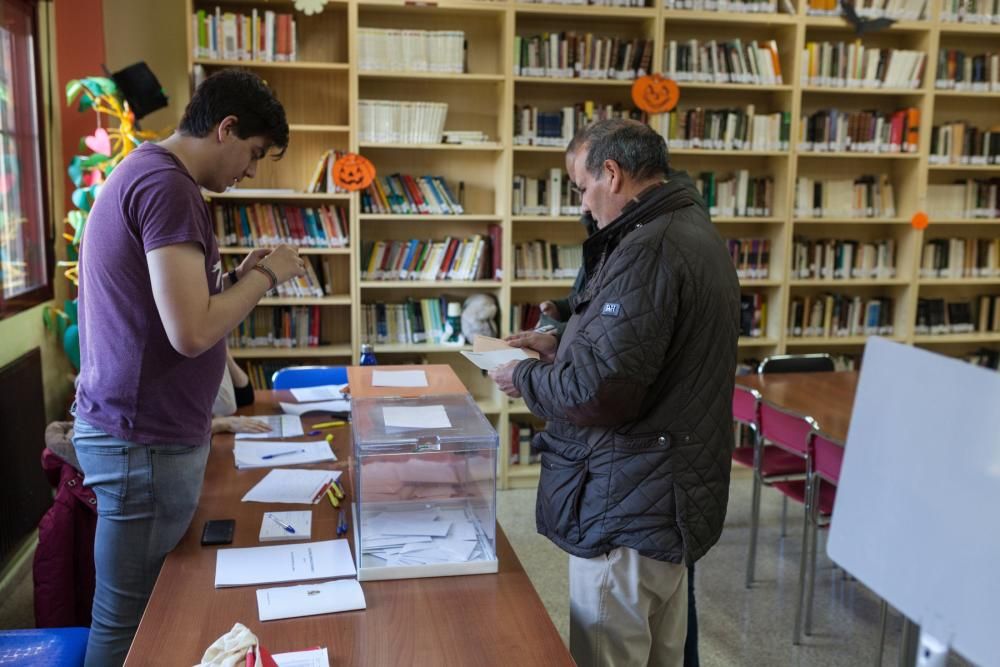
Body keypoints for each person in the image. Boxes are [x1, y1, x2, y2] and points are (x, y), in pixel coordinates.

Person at [72, 68, 305, 667]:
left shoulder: (150, 174)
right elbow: (194, 330)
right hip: (140, 443)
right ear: (225, 129)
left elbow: (172, 309)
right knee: (128, 626)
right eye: (252, 154)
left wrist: (231, 279)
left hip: (141, 437)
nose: (250, 171)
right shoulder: (168, 187)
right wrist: (265, 276)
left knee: (146, 614)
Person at [488, 118, 739, 667]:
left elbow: (601, 393)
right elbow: (643, 354)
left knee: (611, 650)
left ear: (612, 172)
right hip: (664, 492)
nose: (583, 206)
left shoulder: (648, 247)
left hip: (625, 502)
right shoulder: (690, 228)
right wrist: (561, 343)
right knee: (661, 653)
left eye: (583, 189)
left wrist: (523, 377)